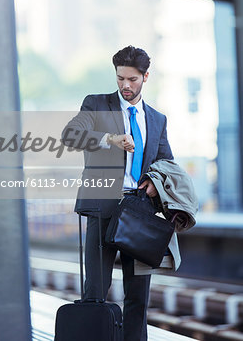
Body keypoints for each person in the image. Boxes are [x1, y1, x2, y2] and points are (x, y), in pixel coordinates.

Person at [61, 45, 173, 341]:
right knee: (95, 291)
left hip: (141, 214)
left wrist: (153, 180)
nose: (125, 85)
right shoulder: (96, 104)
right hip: (103, 209)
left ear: (145, 77)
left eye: (132, 79)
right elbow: (70, 136)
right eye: (120, 78)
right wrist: (109, 138)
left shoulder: (158, 119)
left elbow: (166, 162)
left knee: (138, 296)